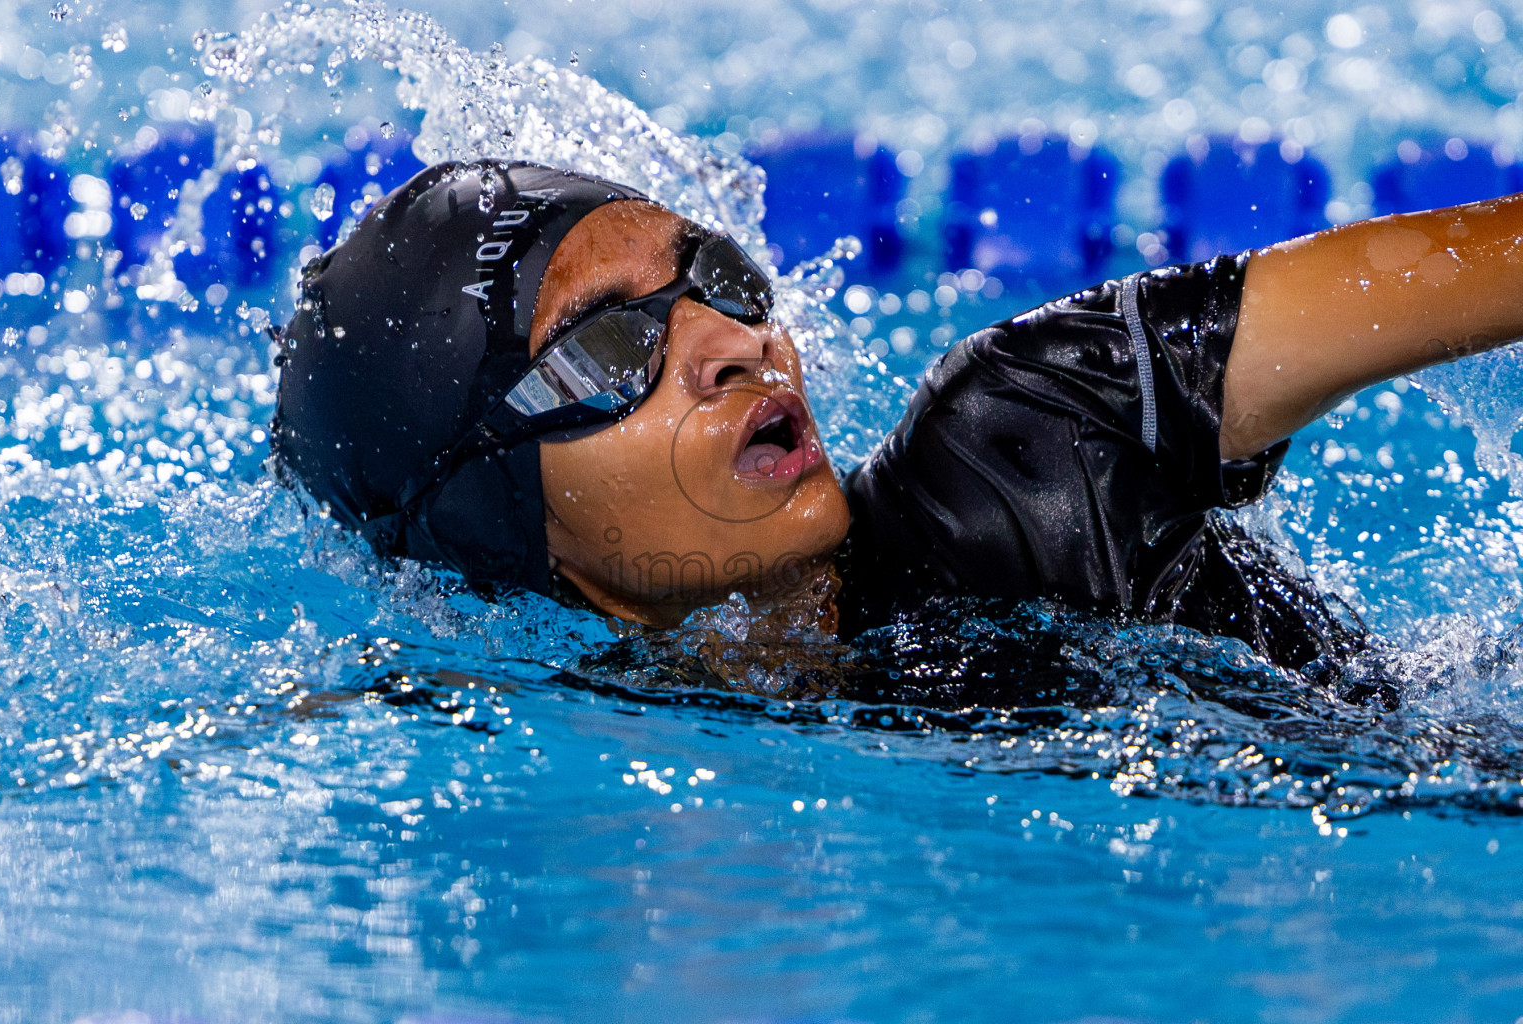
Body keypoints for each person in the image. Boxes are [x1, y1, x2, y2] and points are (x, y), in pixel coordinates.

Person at [271, 158, 1523, 701]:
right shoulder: (575, 726)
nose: (731, 342)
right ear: (494, 514)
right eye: (610, 346)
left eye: (711, 274)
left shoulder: (1028, 438)